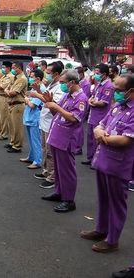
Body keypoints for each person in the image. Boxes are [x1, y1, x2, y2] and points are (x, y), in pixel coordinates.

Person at [80, 74, 134, 253]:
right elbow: (100, 124)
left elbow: (126, 140)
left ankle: (112, 240)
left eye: (119, 91)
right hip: (103, 160)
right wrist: (100, 132)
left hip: (118, 165)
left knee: (116, 203)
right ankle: (100, 229)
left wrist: (103, 137)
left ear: (131, 92)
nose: (115, 94)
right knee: (103, 199)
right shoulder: (118, 106)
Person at [41, 69, 88, 213]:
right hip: (57, 136)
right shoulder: (68, 95)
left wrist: (56, 107)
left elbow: (74, 118)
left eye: (63, 82)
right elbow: (57, 112)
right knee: (59, 168)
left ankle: (68, 200)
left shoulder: (81, 98)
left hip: (67, 138)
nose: (61, 85)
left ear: (72, 82)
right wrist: (51, 103)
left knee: (67, 170)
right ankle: (59, 192)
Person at [31, 61, 65, 188]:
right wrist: (38, 90)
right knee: (44, 149)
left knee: (50, 151)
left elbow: (53, 103)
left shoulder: (60, 88)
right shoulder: (51, 84)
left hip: (51, 121)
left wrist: (37, 95)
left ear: (56, 74)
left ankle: (52, 177)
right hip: (44, 120)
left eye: (48, 73)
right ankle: (46, 171)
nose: (46, 75)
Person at [82, 63, 114, 166]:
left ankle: (96, 161)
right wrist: (91, 101)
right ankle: (90, 158)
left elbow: (104, 102)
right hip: (93, 114)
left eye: (97, 73)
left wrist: (93, 103)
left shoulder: (109, 86)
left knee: (97, 139)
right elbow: (93, 96)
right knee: (90, 138)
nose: (95, 75)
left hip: (100, 116)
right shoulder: (98, 84)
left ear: (104, 74)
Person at [20, 69, 44, 169]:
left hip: (35, 118)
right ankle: (32, 157)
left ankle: (37, 161)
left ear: (38, 78)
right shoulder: (34, 88)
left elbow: (33, 105)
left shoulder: (41, 89)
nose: (30, 78)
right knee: (31, 140)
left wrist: (26, 100)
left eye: (32, 76)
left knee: (36, 140)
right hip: (30, 118)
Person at [4, 61, 28, 153]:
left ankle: (17, 146)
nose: (12, 70)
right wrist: (7, 91)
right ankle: (13, 142)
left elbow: (12, 93)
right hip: (12, 104)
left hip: (18, 104)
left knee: (17, 126)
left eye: (14, 68)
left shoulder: (22, 79)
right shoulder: (15, 78)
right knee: (12, 126)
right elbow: (7, 88)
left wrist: (7, 91)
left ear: (19, 68)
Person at [0, 61, 14, 141]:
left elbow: (2, 86)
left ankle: (4, 134)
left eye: (4, 67)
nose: (2, 69)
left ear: (8, 68)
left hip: (3, 97)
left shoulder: (10, 76)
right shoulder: (4, 76)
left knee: (3, 116)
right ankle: (0, 132)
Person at [73, 66, 91, 155]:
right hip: (75, 104)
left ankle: (78, 147)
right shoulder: (79, 82)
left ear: (81, 74)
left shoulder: (86, 84)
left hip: (82, 106)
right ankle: (75, 145)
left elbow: (85, 97)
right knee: (75, 128)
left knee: (79, 129)